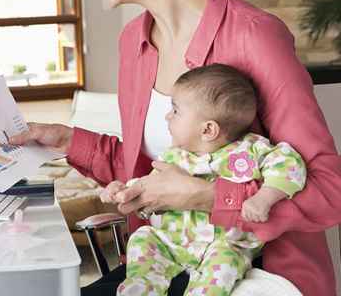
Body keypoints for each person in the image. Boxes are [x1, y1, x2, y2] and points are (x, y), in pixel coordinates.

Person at [9, 0, 341, 295]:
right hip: (171, 257)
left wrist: (206, 196)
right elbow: (150, 169)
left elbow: (329, 188)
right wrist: (65, 140)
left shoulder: (255, 37)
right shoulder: (134, 42)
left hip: (252, 269)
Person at [101, 64, 306, 295]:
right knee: (143, 238)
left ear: (208, 130)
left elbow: (289, 165)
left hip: (224, 245)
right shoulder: (173, 156)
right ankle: (141, 289)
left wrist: (264, 198)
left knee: (227, 262)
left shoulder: (251, 149)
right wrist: (122, 190)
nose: (168, 116)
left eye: (175, 111)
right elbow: (149, 188)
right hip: (172, 243)